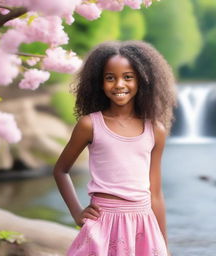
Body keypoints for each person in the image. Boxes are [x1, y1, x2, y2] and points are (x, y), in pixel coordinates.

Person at [53, 40, 177, 256]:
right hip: (103, 222)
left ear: (142, 80)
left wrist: (164, 246)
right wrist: (76, 212)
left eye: (128, 77)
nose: (119, 84)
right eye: (110, 78)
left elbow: (155, 193)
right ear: (99, 83)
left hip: (143, 224)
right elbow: (61, 170)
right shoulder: (89, 125)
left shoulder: (155, 129)